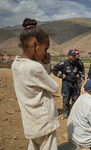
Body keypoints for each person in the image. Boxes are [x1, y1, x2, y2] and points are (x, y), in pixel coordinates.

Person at [11, 18, 59, 150]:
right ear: (35, 44)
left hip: (31, 122)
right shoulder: (35, 68)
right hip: (44, 122)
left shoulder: (16, 64)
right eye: (45, 48)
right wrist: (46, 64)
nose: (46, 52)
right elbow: (54, 88)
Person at [52, 49, 80, 118]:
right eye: (73, 56)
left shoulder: (77, 63)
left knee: (75, 99)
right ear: (69, 56)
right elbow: (54, 70)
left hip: (75, 84)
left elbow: (80, 70)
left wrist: (79, 75)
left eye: (75, 55)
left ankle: (74, 113)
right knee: (66, 99)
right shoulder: (64, 63)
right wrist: (60, 76)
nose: (75, 57)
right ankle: (65, 113)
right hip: (66, 84)